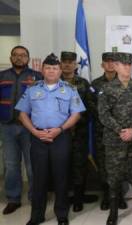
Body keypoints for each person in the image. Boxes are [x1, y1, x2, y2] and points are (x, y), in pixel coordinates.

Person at [15, 53, 85, 225]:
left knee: (61, 177)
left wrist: (60, 129)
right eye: (48, 68)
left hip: (60, 138)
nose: (52, 71)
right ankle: (37, 216)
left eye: (55, 68)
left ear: (60, 70)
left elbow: (76, 114)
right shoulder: (32, 89)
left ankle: (62, 214)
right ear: (42, 70)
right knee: (39, 178)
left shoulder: (70, 90)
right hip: (38, 138)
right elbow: (22, 113)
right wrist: (34, 131)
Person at [98, 52, 132, 225]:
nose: (127, 67)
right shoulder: (107, 88)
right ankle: (113, 213)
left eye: (129, 64)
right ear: (116, 66)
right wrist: (120, 130)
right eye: (123, 64)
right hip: (114, 142)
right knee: (113, 178)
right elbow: (103, 114)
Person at [0, 45, 42, 215]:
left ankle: (35, 197)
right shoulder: (2, 76)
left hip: (30, 128)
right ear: (11, 58)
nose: (19, 58)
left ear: (28, 58)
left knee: (32, 166)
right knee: (10, 165)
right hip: (7, 126)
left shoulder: (37, 77)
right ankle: (13, 199)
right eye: (15, 55)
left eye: (22, 55)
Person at [59, 51, 96, 212]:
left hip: (78, 133)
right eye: (64, 61)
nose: (67, 64)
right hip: (58, 133)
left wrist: (78, 122)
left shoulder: (83, 84)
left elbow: (90, 107)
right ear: (60, 64)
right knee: (60, 166)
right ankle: (63, 198)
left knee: (79, 166)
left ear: (75, 64)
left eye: (70, 62)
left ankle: (78, 199)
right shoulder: (53, 82)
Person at [91, 52, 128, 210]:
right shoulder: (95, 84)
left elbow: (129, 107)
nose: (110, 65)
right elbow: (92, 106)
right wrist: (108, 119)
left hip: (120, 133)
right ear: (102, 65)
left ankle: (119, 196)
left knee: (120, 165)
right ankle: (106, 196)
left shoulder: (124, 82)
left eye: (113, 62)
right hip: (102, 132)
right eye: (107, 62)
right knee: (104, 166)